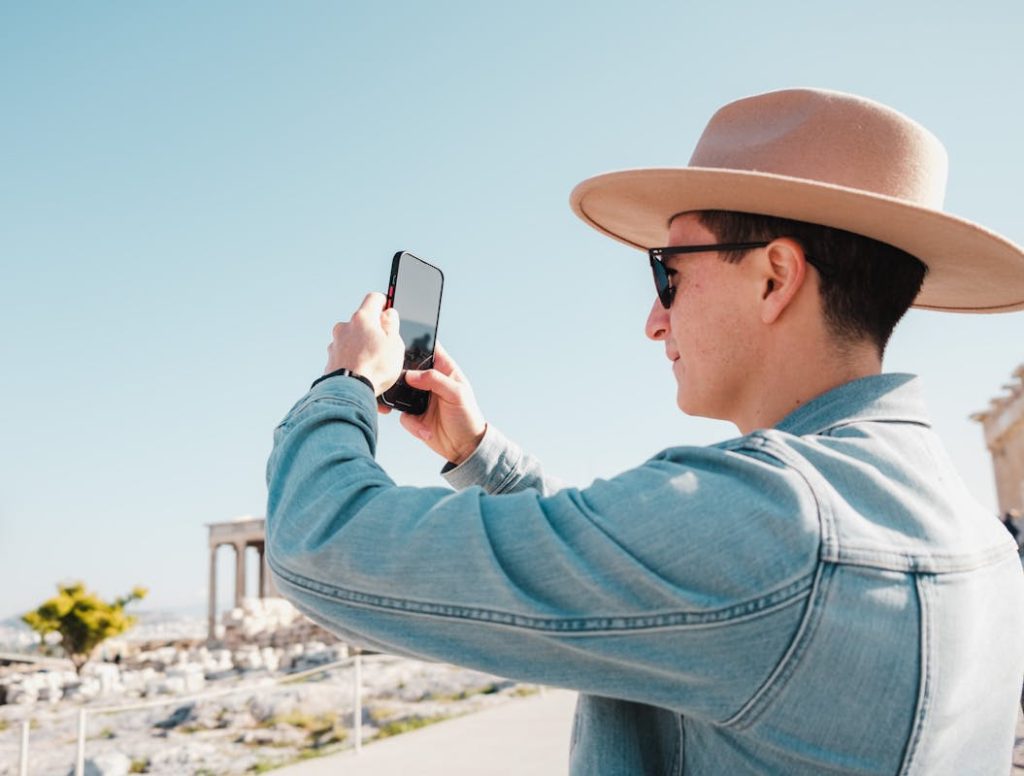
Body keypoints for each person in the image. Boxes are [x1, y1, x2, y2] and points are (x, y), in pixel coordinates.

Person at [265, 88, 1024, 774]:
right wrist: (479, 455)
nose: (654, 319)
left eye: (668, 273)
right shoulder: (980, 541)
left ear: (775, 278)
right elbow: (655, 573)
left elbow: (322, 545)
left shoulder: (773, 520)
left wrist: (348, 384)